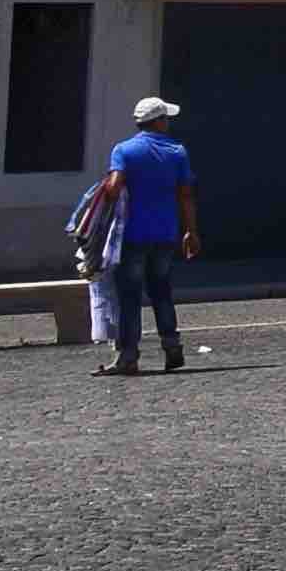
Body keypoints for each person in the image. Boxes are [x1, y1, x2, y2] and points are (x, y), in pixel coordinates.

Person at [93, 94, 196, 376]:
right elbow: (185, 195)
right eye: (166, 119)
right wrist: (191, 232)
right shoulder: (177, 151)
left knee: (130, 296)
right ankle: (172, 347)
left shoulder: (124, 150)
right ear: (159, 121)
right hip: (165, 234)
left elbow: (113, 189)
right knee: (162, 291)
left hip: (133, 235)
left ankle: (129, 356)